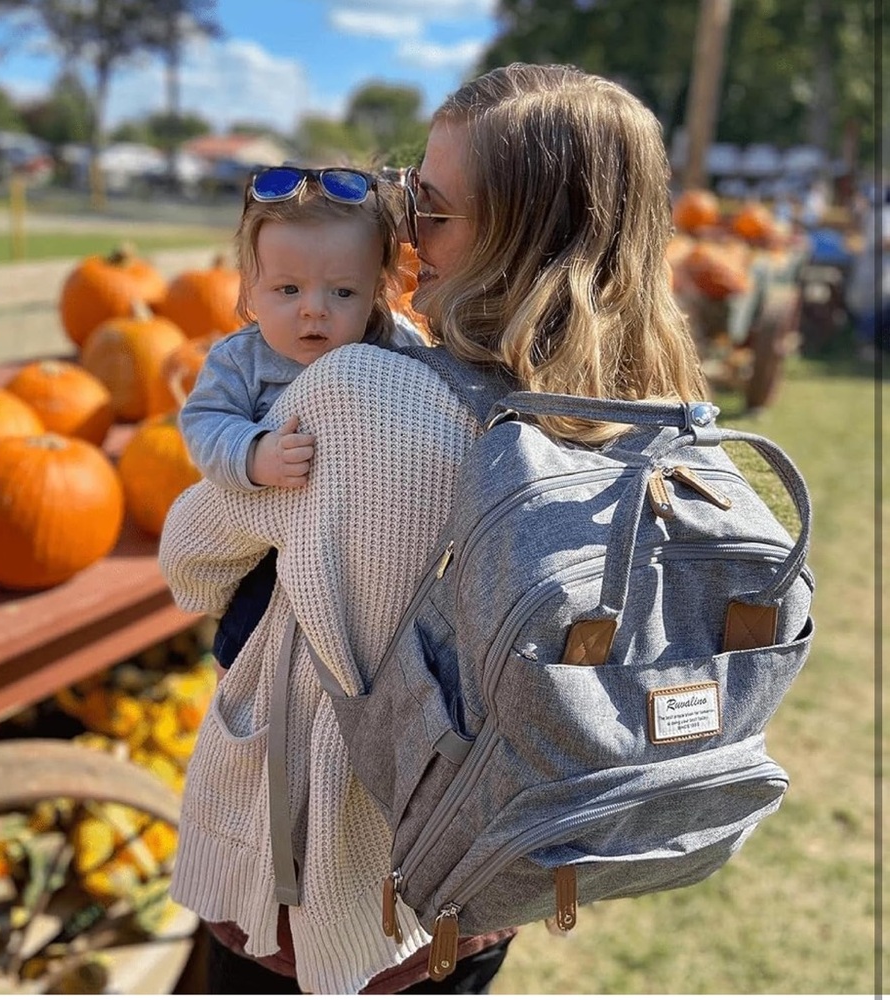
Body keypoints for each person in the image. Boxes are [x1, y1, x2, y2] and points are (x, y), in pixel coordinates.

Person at [159, 62, 708, 994]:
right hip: (487, 855)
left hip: (327, 867)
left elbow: (192, 566)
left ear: (512, 234)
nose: (407, 229)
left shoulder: (362, 397)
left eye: (433, 207)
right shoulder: (652, 412)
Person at [179, 165, 425, 670]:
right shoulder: (239, 360)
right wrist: (254, 453)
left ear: (378, 288)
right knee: (251, 634)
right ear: (250, 288)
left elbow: (429, 406)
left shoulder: (397, 345)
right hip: (273, 544)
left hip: (369, 540)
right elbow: (204, 422)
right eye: (288, 290)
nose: (314, 310)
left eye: (343, 292)